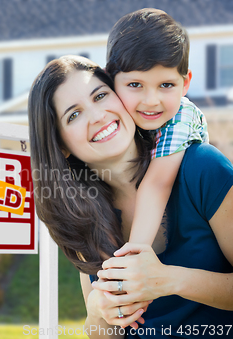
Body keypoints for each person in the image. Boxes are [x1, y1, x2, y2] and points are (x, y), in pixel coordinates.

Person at [28, 55, 233, 338]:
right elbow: (102, 331)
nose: (98, 116)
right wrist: (99, 310)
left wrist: (170, 280)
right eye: (73, 115)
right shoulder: (82, 213)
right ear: (60, 145)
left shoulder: (201, 167)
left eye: (100, 96)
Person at [106, 8, 208, 247]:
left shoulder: (182, 116)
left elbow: (157, 185)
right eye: (135, 84)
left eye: (165, 84)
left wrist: (134, 254)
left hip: (191, 223)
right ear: (111, 81)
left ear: (185, 84)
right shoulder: (117, 118)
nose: (151, 101)